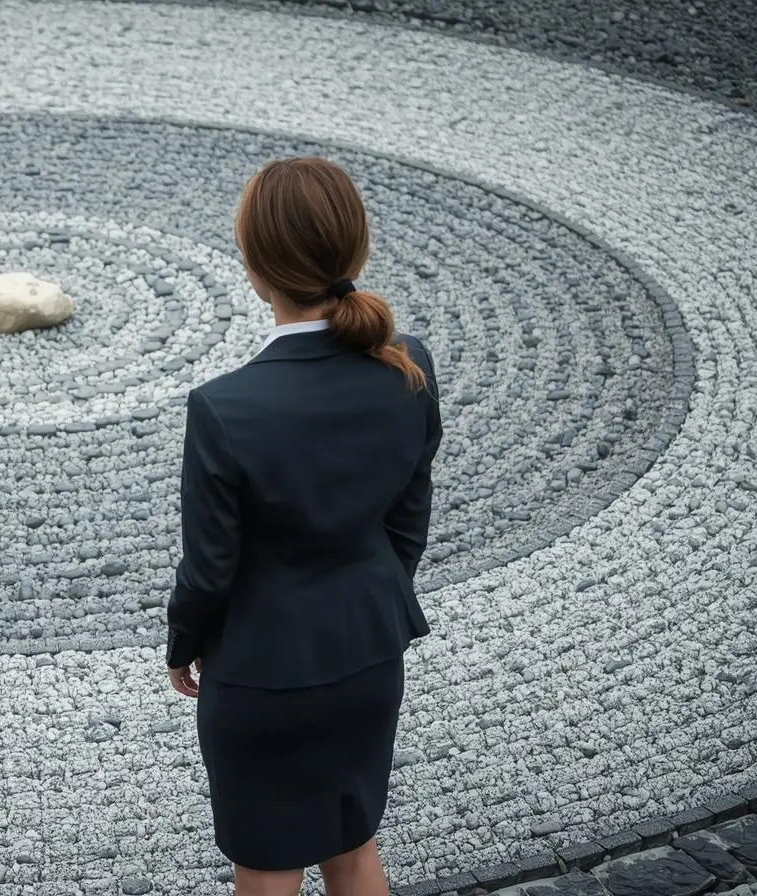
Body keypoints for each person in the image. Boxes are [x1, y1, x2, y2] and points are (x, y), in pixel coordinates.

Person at [165, 157, 442, 896]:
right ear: (355, 249)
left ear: (255, 268)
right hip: (370, 655)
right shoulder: (408, 365)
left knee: (267, 864)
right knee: (353, 848)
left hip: (265, 672)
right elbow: (407, 523)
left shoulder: (226, 407)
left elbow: (209, 568)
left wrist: (182, 645)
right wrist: (368, 601)